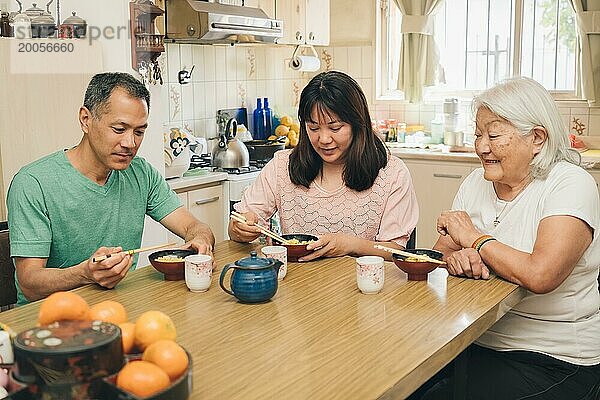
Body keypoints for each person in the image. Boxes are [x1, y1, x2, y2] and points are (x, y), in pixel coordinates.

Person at [417, 77, 600, 399]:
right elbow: (438, 256)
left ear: (537, 139)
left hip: (552, 356)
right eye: (478, 134)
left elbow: (541, 275)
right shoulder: (476, 181)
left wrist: (475, 240)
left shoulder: (571, 183)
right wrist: (456, 259)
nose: (481, 146)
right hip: (473, 339)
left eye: (494, 135)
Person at [7, 72, 215, 305]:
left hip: (116, 309)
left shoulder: (140, 173)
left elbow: (195, 226)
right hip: (47, 320)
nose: (130, 144)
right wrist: (85, 273)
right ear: (86, 119)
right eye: (119, 129)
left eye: (139, 132)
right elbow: (29, 283)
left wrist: (200, 240)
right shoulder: (33, 183)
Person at [228, 71, 418, 261]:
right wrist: (241, 229)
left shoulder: (391, 173)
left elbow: (396, 251)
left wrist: (350, 245)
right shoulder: (282, 166)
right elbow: (237, 226)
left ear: (358, 124)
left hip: (362, 285)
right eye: (314, 128)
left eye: (335, 128)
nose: (324, 139)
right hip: (299, 284)